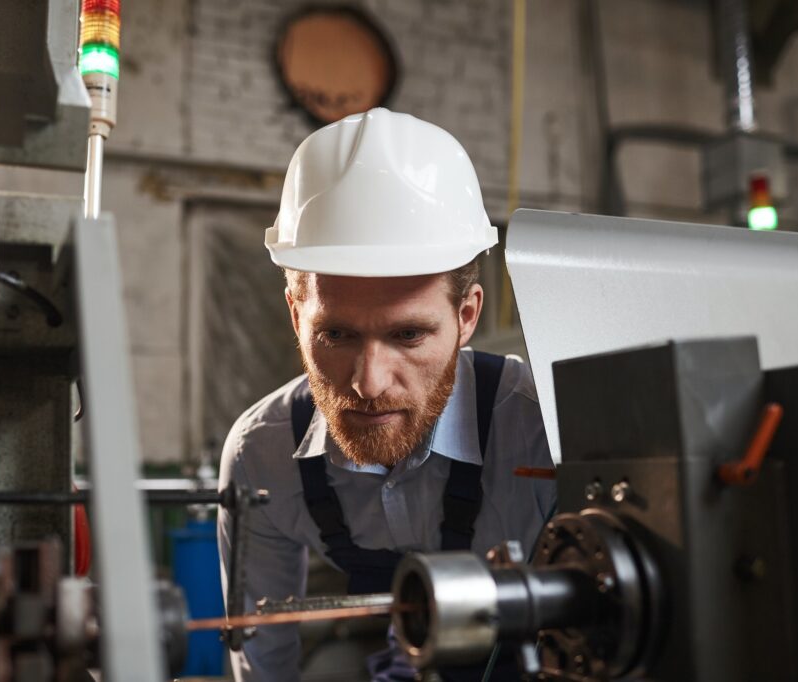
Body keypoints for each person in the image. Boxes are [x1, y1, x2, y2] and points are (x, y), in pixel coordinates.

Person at [217, 108, 556, 681]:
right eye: (336, 335)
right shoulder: (262, 456)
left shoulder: (542, 430)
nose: (368, 384)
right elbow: (262, 662)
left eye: (408, 335)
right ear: (297, 313)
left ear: (466, 315)